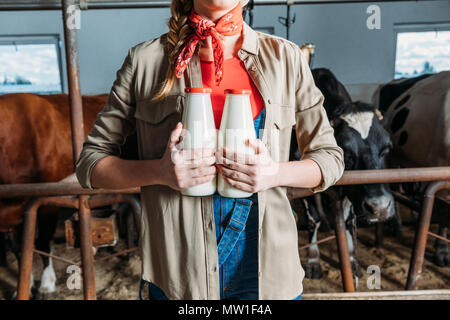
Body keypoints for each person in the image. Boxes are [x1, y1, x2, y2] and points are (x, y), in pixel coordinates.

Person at [76, 0, 344, 300]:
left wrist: (273, 173)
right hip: (178, 272)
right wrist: (160, 172)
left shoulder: (286, 58)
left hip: (267, 272)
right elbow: (90, 164)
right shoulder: (144, 61)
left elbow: (330, 159)